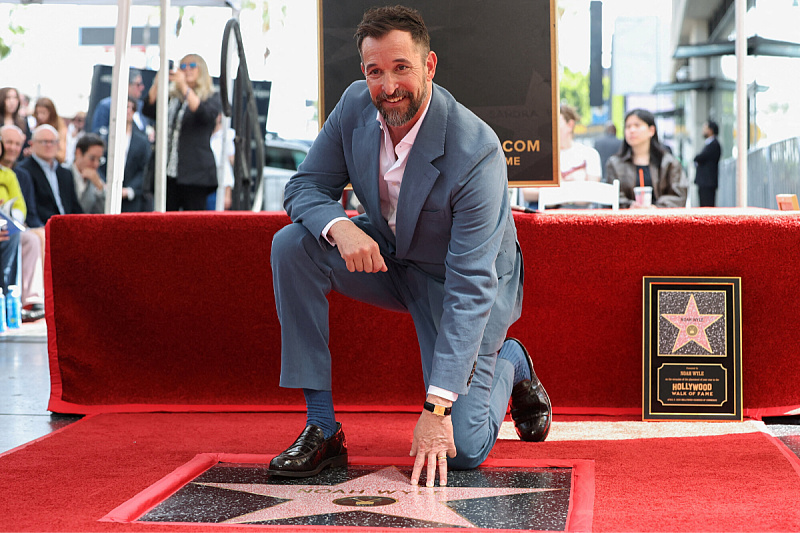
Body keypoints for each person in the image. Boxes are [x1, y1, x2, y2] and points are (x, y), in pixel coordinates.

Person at [268, 5, 551, 487]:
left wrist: (437, 409)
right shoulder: (354, 105)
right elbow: (303, 188)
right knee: (293, 245)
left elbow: (471, 283)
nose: (389, 85)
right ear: (364, 72)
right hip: (392, 256)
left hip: (460, 281)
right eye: (376, 71)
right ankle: (321, 426)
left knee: (461, 450)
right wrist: (341, 225)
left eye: (401, 68)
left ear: (430, 65)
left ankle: (512, 361)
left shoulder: (475, 149)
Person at [142, 53, 221, 211]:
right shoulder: (173, 98)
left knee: (193, 224)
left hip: (195, 174)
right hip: (168, 172)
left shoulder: (211, 96)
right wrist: (158, 83)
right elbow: (149, 110)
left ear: (202, 70)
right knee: (166, 220)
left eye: (192, 66)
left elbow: (203, 115)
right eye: (183, 66)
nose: (187, 70)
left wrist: (184, 86)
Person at [520, 104, 602, 209]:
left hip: (578, 217)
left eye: (555, 121)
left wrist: (554, 191)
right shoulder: (538, 156)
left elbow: (592, 193)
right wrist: (570, 188)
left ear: (570, 124)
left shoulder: (589, 154)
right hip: (544, 215)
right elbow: (526, 193)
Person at [605, 108, 688, 208]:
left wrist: (657, 208)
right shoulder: (614, 164)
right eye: (628, 127)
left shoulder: (668, 163)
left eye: (637, 125)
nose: (632, 130)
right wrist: (630, 206)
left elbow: (679, 195)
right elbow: (611, 196)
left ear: (651, 130)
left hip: (662, 221)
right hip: (627, 220)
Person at [17, 125, 83, 223]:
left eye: (53, 142)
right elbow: (31, 211)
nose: (49, 145)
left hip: (69, 226)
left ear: (58, 145)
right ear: (32, 144)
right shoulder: (23, 171)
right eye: (44, 142)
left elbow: (75, 207)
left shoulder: (65, 173)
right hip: (43, 227)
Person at [91, 69, 148, 137]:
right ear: (128, 85)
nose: (142, 88)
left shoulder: (142, 106)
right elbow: (98, 133)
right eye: (138, 84)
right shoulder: (107, 106)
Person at [121, 96, 152, 212]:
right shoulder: (106, 136)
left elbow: (144, 168)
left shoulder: (142, 141)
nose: (128, 111)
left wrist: (129, 189)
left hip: (132, 199)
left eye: (131, 108)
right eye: (125, 107)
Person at [70, 133, 107, 214]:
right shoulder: (64, 174)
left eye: (99, 160)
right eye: (92, 158)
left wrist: (99, 187)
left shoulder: (96, 180)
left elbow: (103, 212)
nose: (96, 164)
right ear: (78, 153)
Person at [694, 120, 722, 207]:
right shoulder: (710, 144)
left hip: (708, 182)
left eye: (705, 128)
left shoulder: (714, 144)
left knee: (707, 207)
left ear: (710, 130)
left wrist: (697, 159)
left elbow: (701, 157)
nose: (703, 130)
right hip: (705, 182)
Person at [33, 97, 68, 164]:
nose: (40, 116)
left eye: (43, 113)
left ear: (51, 113)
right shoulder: (37, 127)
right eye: (38, 113)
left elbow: (62, 156)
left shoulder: (61, 129)